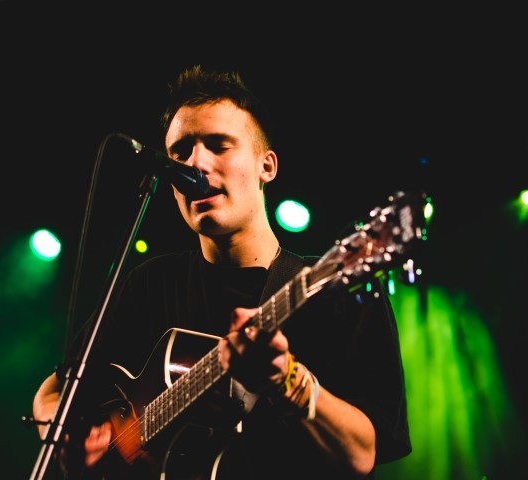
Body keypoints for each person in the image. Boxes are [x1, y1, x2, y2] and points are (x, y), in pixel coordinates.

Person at [32, 64, 412, 479]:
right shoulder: (149, 285)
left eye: (218, 145)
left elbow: (362, 454)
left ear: (267, 166)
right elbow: (53, 392)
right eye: (180, 152)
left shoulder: (335, 291)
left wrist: (288, 381)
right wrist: (65, 435)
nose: (196, 163)